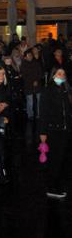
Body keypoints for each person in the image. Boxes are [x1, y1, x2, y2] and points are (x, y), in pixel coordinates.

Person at [39, 68, 71, 199]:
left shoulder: (64, 89)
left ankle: (57, 183)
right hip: (53, 129)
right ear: (53, 76)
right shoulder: (48, 90)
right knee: (54, 159)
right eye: (59, 73)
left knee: (62, 158)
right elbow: (44, 112)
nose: (61, 76)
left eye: (63, 74)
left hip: (64, 129)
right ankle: (51, 187)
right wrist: (43, 132)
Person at [20, 49, 43, 120]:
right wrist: (32, 81)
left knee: (39, 100)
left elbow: (40, 73)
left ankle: (39, 114)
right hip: (28, 85)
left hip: (37, 84)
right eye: (28, 56)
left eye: (31, 55)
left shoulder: (36, 63)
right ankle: (30, 114)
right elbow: (24, 76)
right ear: (25, 57)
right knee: (30, 101)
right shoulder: (23, 65)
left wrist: (37, 80)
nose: (30, 57)